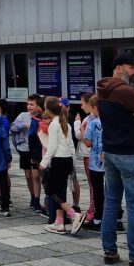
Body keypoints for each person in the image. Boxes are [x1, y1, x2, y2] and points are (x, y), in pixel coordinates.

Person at [97, 52, 134, 266]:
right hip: (130, 152)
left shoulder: (101, 89)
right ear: (119, 68)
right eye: (132, 67)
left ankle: (109, 251)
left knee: (111, 203)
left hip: (110, 152)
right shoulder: (126, 91)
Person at [41, 97, 84, 234]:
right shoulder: (65, 124)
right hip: (67, 161)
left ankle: (73, 214)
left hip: (58, 161)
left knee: (50, 191)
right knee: (60, 191)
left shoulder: (54, 125)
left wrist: (43, 163)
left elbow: (52, 147)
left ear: (48, 110)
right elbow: (71, 145)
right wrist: (73, 162)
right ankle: (59, 223)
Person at [10, 96, 43, 213]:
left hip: (37, 150)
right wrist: (24, 125)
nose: (29, 106)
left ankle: (37, 199)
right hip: (24, 149)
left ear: (38, 106)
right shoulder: (23, 116)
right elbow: (12, 128)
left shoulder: (42, 116)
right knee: (28, 176)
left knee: (36, 175)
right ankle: (32, 196)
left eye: (32, 104)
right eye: (28, 104)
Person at [80, 93, 104, 231]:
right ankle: (115, 219)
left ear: (95, 108)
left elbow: (88, 143)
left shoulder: (93, 123)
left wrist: (82, 130)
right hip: (109, 162)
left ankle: (97, 219)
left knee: (97, 191)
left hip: (95, 162)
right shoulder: (111, 121)